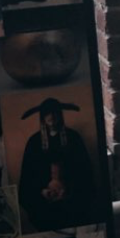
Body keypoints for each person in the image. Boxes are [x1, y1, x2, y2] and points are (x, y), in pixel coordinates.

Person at [18, 97, 97, 230]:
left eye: (54, 112)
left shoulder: (73, 138)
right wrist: (43, 191)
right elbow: (28, 175)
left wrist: (68, 189)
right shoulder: (34, 142)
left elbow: (84, 171)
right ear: (42, 117)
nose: (51, 117)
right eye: (47, 113)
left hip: (71, 201)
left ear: (60, 114)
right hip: (44, 203)